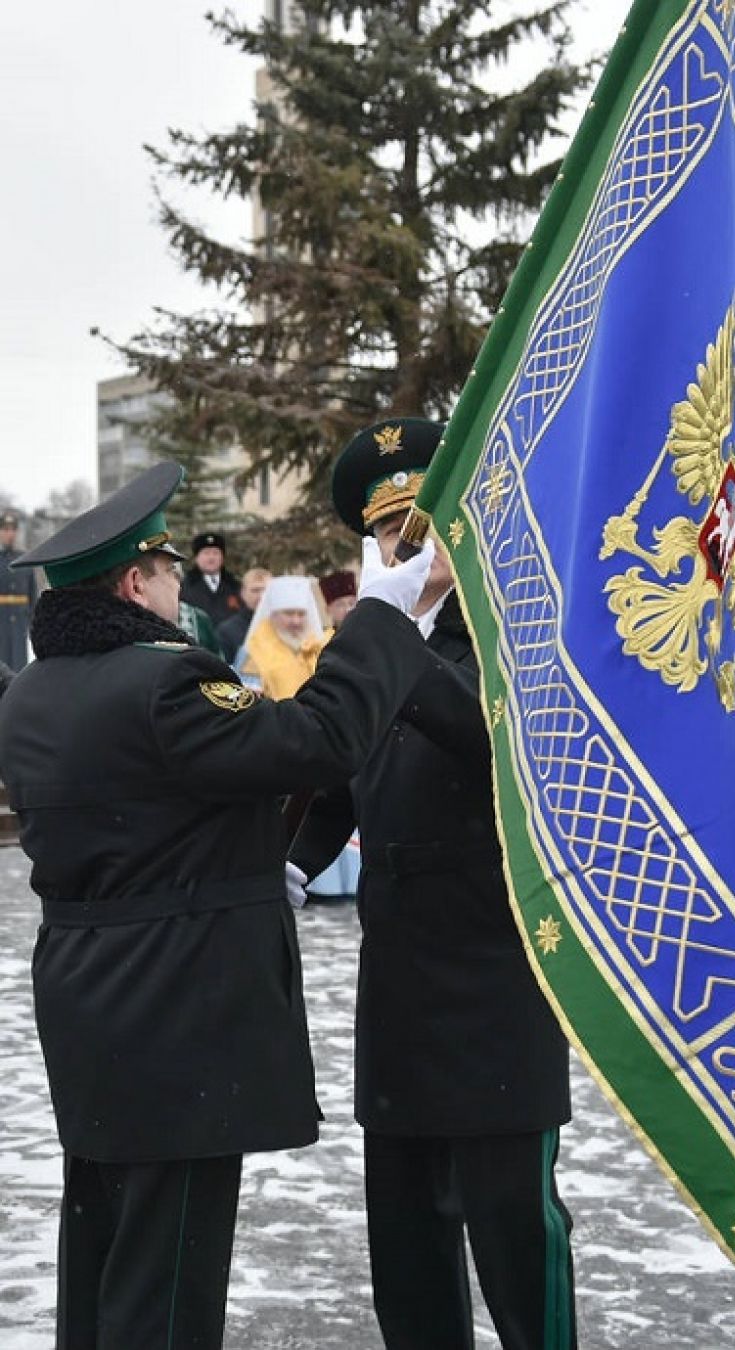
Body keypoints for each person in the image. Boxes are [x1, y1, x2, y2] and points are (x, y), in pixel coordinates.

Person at [0, 460, 435, 1349]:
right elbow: (316, 740)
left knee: (106, 1246)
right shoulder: (162, 683)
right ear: (134, 583)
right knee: (169, 1280)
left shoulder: (34, 691)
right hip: (179, 1008)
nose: (174, 589)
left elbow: (151, 815)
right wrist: (384, 618)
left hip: (93, 999)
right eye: (164, 573)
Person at [290, 418, 576, 1350]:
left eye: (424, 529)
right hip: (401, 977)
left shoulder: (518, 628)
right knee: (406, 1238)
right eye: (389, 537)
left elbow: (491, 739)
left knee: (513, 1228)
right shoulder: (370, 644)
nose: (407, 550)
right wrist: (285, 864)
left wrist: (385, 642)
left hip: (498, 971)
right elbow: (335, 774)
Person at [236, 575, 329, 698]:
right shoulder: (252, 651)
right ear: (273, 615)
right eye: (289, 614)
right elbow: (248, 700)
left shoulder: (317, 646)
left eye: (301, 614)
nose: (296, 621)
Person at [179, 529, 243, 626]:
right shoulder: (184, 587)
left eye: (215, 553)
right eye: (206, 553)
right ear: (196, 557)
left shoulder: (235, 586)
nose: (211, 558)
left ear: (222, 557)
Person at [0, 509, 38, 671]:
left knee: (19, 667)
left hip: (20, 624)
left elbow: (32, 595)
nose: (10, 534)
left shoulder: (24, 560)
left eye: (13, 530)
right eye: (5, 530)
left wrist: (34, 623)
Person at [217, 565, 272, 663]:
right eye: (255, 590)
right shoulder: (227, 631)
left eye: (266, 590)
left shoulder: (289, 626)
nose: (261, 596)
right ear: (243, 593)